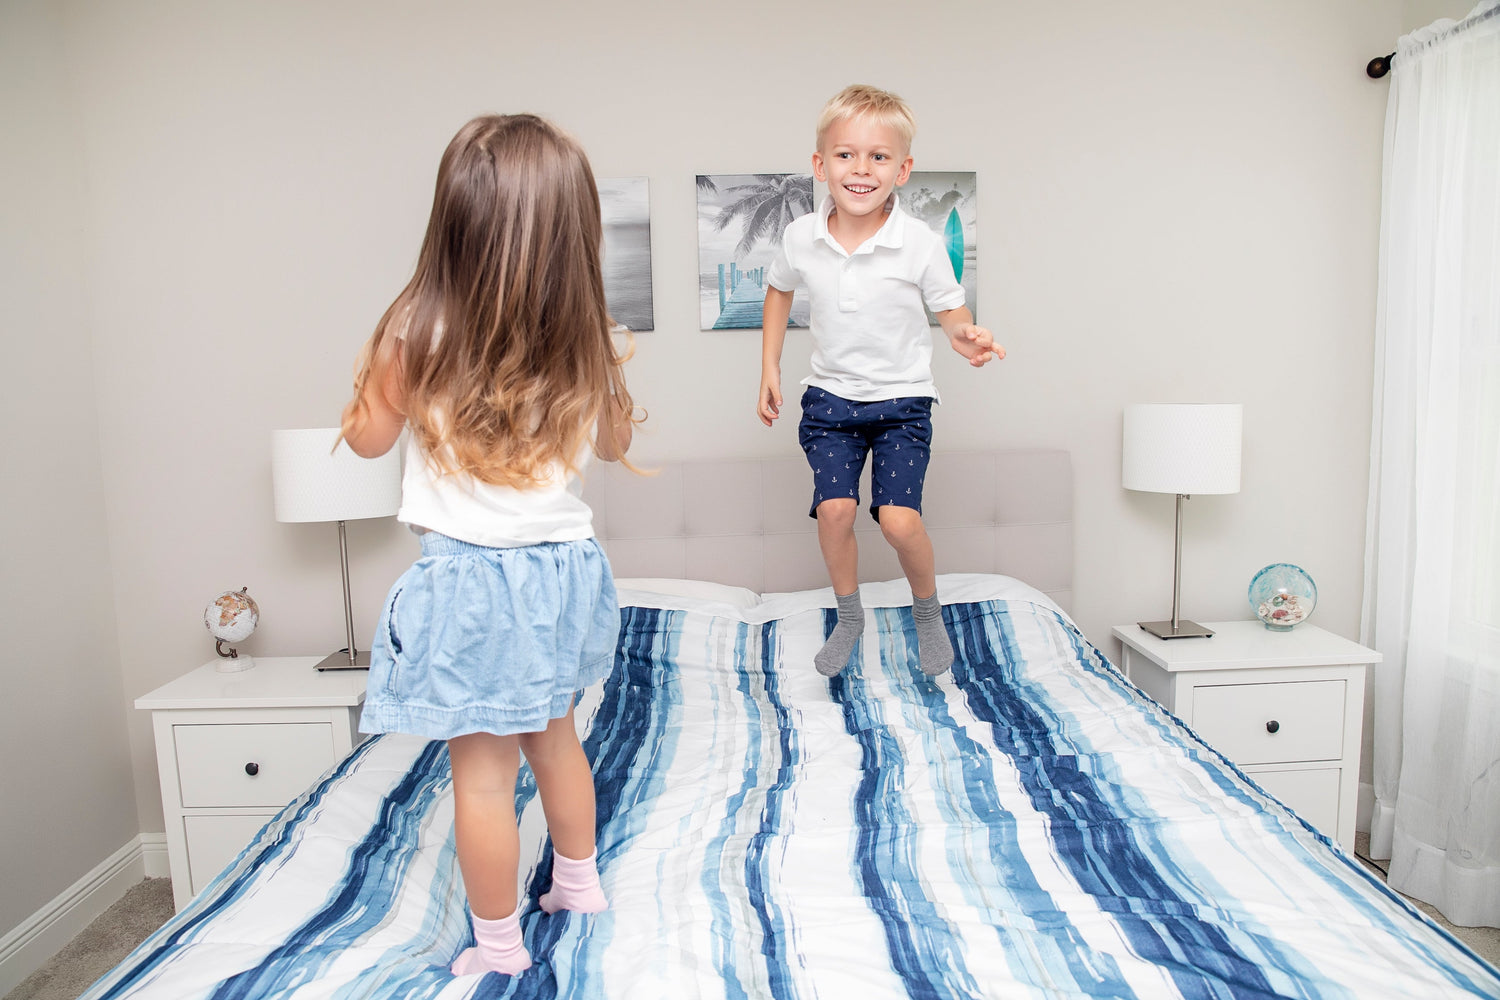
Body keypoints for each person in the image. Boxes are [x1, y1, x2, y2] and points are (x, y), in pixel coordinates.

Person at [339, 113, 641, 978]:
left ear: (456, 221)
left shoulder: (417, 331)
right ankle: (578, 884)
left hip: (473, 579)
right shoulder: (586, 337)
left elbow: (366, 441)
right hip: (565, 572)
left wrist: (375, 373)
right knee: (557, 737)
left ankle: (498, 946)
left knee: (480, 774)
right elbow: (615, 445)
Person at [757, 84, 1004, 679]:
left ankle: (926, 611)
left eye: (878, 157)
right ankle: (849, 615)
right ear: (821, 166)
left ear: (903, 169)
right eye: (846, 155)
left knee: (897, 520)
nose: (861, 169)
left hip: (902, 402)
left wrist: (966, 337)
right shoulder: (800, 236)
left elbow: (951, 313)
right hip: (830, 400)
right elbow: (778, 289)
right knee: (836, 510)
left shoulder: (917, 242)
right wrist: (769, 366)